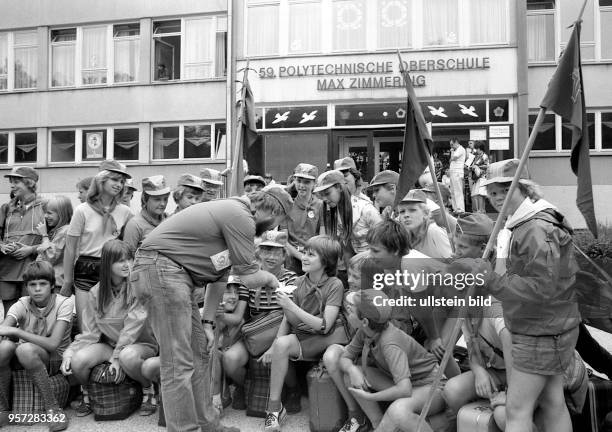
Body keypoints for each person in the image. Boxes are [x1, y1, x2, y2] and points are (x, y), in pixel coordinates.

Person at [130, 188, 294, 432]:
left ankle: (208, 425)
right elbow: (249, 276)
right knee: (178, 361)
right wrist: (272, 280)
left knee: (199, 354)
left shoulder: (234, 215)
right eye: (276, 223)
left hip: (169, 272)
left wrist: (207, 323)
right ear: (272, 211)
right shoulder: (242, 216)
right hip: (162, 270)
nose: (272, 229)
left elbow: (220, 277)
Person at [451, 159, 580, 432]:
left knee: (516, 411)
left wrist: (492, 280)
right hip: (547, 327)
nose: (498, 197)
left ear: (523, 188)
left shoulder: (534, 228)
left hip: (539, 329)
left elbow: (542, 288)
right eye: (493, 192)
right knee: (552, 402)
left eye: (505, 189)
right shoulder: (524, 223)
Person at [259, 235, 348, 432]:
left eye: (311, 255)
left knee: (331, 354)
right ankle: (274, 410)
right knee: (281, 345)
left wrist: (291, 306)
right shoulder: (298, 282)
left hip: (329, 339)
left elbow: (325, 326)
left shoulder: (335, 284)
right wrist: (274, 344)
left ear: (325, 261)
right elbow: (286, 318)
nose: (304, 258)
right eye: (304, 253)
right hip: (303, 338)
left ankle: (354, 414)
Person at [324, 290, 445, 432]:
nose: (347, 312)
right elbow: (345, 358)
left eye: (351, 311)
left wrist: (371, 397)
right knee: (350, 377)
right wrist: (352, 370)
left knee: (398, 411)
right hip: (406, 381)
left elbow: (404, 390)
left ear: (364, 321)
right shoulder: (364, 331)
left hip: (431, 385)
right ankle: (377, 424)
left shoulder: (390, 343)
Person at [61, 240, 157, 417]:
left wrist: (117, 356)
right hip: (109, 345)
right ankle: (88, 394)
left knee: (127, 356)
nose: (127, 264)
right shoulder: (95, 293)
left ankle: (148, 389)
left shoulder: (138, 287)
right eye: (120, 260)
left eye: (129, 259)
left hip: (140, 345)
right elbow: (90, 333)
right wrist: (70, 352)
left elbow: (132, 327)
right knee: (78, 360)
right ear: (107, 264)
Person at [222, 232, 299, 412]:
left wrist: (274, 345)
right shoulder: (248, 279)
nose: (271, 257)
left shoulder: (291, 278)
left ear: (284, 256)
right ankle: (244, 385)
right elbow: (240, 314)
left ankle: (294, 389)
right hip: (254, 332)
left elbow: (289, 316)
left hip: (282, 329)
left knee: (281, 351)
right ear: (259, 253)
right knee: (229, 359)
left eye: (276, 252)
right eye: (266, 251)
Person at [61, 161, 133, 333]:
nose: (119, 185)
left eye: (122, 181)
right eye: (114, 180)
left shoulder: (125, 212)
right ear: (101, 181)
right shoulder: (82, 210)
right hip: (86, 269)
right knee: (86, 326)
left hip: (113, 269)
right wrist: (67, 280)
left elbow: (129, 246)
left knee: (112, 325)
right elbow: (70, 248)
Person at [0, 261, 73, 431]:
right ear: (26, 287)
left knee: (24, 349)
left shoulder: (64, 303)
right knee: (4, 348)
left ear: (52, 285)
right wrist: (8, 332)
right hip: (26, 355)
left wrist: (17, 333)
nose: (37, 289)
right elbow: (4, 328)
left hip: (55, 359)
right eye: (32, 285)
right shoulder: (23, 303)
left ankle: (53, 409)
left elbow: (53, 344)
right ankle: (3, 408)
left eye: (43, 284)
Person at [315, 170, 381, 287]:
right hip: (357, 269)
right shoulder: (335, 212)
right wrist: (351, 277)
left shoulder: (366, 210)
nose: (324, 199)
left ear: (339, 187)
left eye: (327, 193)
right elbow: (347, 249)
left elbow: (385, 242)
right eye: (322, 195)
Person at [0, 167, 45, 313]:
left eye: (16, 181)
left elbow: (55, 239)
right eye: (11, 182)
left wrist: (31, 249)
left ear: (29, 183)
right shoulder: (6, 208)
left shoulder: (45, 206)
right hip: (7, 270)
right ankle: (9, 337)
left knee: (32, 315)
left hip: (33, 271)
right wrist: (1, 246)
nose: (12, 185)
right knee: (10, 315)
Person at [211, 282, 243, 418]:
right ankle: (215, 397)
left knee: (221, 355)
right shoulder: (206, 315)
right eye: (228, 292)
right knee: (213, 354)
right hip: (212, 367)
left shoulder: (240, 319)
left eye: (237, 292)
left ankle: (219, 398)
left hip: (236, 368)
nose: (234, 297)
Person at [283, 163, 323, 275]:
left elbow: (322, 238)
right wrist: (301, 256)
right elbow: (283, 240)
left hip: (315, 259)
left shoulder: (321, 206)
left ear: (314, 183)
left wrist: (311, 257)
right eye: (299, 181)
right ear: (294, 181)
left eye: (306, 182)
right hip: (292, 260)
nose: (301, 185)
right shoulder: (287, 205)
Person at [397, 190, 452, 258]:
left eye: (412, 210)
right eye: (402, 211)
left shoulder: (434, 230)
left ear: (425, 213)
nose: (406, 215)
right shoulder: (404, 234)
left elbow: (453, 263)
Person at [35, 196, 74, 291]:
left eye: (49, 213)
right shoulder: (57, 231)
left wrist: (44, 235)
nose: (45, 216)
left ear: (61, 214)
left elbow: (50, 256)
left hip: (57, 284)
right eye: (45, 213)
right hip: (50, 282)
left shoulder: (65, 231)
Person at [123, 176, 170, 251]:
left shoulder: (168, 220)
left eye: (165, 199)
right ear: (145, 199)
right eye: (157, 199)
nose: (163, 204)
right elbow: (127, 256)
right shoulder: (135, 225)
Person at [468, 141, 489, 213]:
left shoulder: (484, 156)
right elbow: (472, 165)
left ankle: (481, 211)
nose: (476, 150)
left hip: (482, 177)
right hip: (476, 178)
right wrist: (472, 167)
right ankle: (478, 211)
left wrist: (477, 167)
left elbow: (487, 166)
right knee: (475, 195)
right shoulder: (476, 156)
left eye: (477, 149)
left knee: (480, 195)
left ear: (480, 149)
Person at [449, 139, 466, 214]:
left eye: (452, 144)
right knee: (453, 191)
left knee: (458, 191)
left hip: (457, 172)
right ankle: (455, 208)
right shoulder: (456, 150)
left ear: (456, 143)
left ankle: (460, 209)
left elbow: (453, 158)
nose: (451, 146)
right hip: (453, 172)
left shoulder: (460, 149)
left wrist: (452, 151)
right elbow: (451, 160)